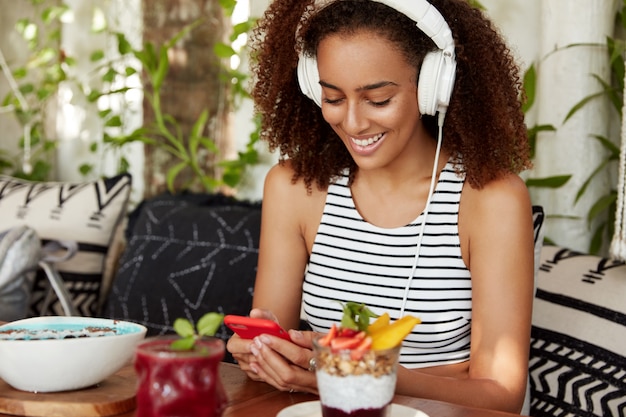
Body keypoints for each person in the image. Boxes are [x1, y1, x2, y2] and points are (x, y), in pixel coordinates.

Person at [226, 0, 535, 413]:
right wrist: (262, 353)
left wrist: (349, 368)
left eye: (378, 99)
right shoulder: (294, 188)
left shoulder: (490, 200)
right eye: (333, 98)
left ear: (432, 87)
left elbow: (500, 396)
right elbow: (280, 350)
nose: (353, 124)